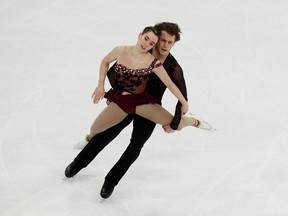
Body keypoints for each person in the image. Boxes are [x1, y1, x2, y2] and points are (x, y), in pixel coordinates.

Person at [65, 23, 214, 199]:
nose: (165, 45)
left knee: (136, 144)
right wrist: (118, 92)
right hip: (127, 102)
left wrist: (173, 123)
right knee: (106, 134)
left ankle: (111, 181)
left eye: (170, 42)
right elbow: (114, 71)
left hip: (149, 107)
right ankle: (78, 163)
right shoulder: (143, 51)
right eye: (162, 41)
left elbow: (180, 94)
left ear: (174, 43)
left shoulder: (172, 66)